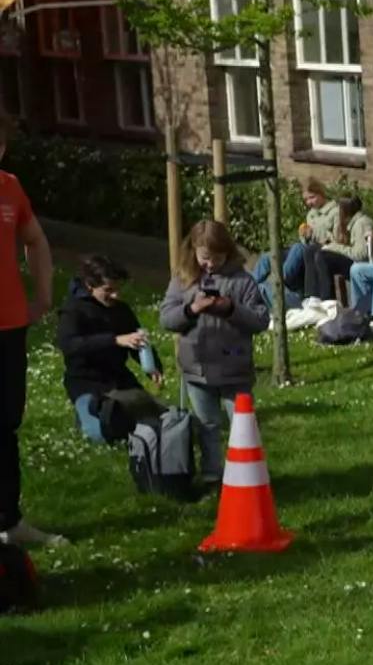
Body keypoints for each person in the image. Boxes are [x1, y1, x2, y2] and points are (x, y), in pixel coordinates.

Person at [160, 219, 271, 486]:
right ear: (194, 251)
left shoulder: (243, 280)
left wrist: (231, 309)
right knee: (207, 425)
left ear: (228, 252)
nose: (210, 264)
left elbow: (260, 320)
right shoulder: (183, 279)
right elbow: (166, 318)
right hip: (197, 368)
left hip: (235, 368)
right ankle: (212, 473)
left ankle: (249, 475)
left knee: (242, 425)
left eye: (217, 258)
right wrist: (191, 310)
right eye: (204, 258)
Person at [0, 116, 58, 548]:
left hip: (9, 325)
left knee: (5, 424)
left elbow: (35, 240)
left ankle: (9, 521)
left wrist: (42, 295)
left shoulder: (10, 188)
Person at [55, 254, 162, 444]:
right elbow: (69, 345)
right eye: (108, 290)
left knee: (155, 424)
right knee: (104, 434)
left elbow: (136, 340)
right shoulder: (74, 310)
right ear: (89, 286)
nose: (116, 295)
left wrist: (153, 366)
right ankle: (87, 415)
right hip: (86, 382)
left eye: (118, 289)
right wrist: (114, 340)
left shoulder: (122, 310)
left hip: (119, 378)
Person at [250, 179, 340, 309]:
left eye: (312, 197)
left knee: (298, 248)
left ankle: (281, 279)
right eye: (306, 199)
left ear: (321, 194)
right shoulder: (311, 215)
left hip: (321, 250)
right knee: (266, 257)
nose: (309, 202)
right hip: (308, 247)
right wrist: (304, 235)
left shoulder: (334, 212)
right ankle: (249, 285)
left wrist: (314, 235)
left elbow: (336, 237)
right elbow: (307, 238)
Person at [306, 195, 373, 305]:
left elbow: (361, 254)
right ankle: (313, 296)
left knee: (323, 257)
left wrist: (334, 247)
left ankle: (328, 301)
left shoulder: (361, 223)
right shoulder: (349, 224)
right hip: (352, 260)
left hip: (360, 266)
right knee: (312, 250)